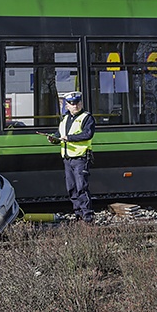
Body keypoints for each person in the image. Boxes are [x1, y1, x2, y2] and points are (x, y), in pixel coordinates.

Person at [47, 91, 96, 223]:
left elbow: (88, 134)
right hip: (68, 159)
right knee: (72, 188)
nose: (75, 105)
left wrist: (69, 138)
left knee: (82, 187)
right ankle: (78, 214)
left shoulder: (87, 117)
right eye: (72, 103)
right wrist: (53, 139)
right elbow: (59, 135)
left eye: (77, 103)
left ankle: (88, 216)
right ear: (66, 105)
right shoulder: (65, 119)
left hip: (80, 158)